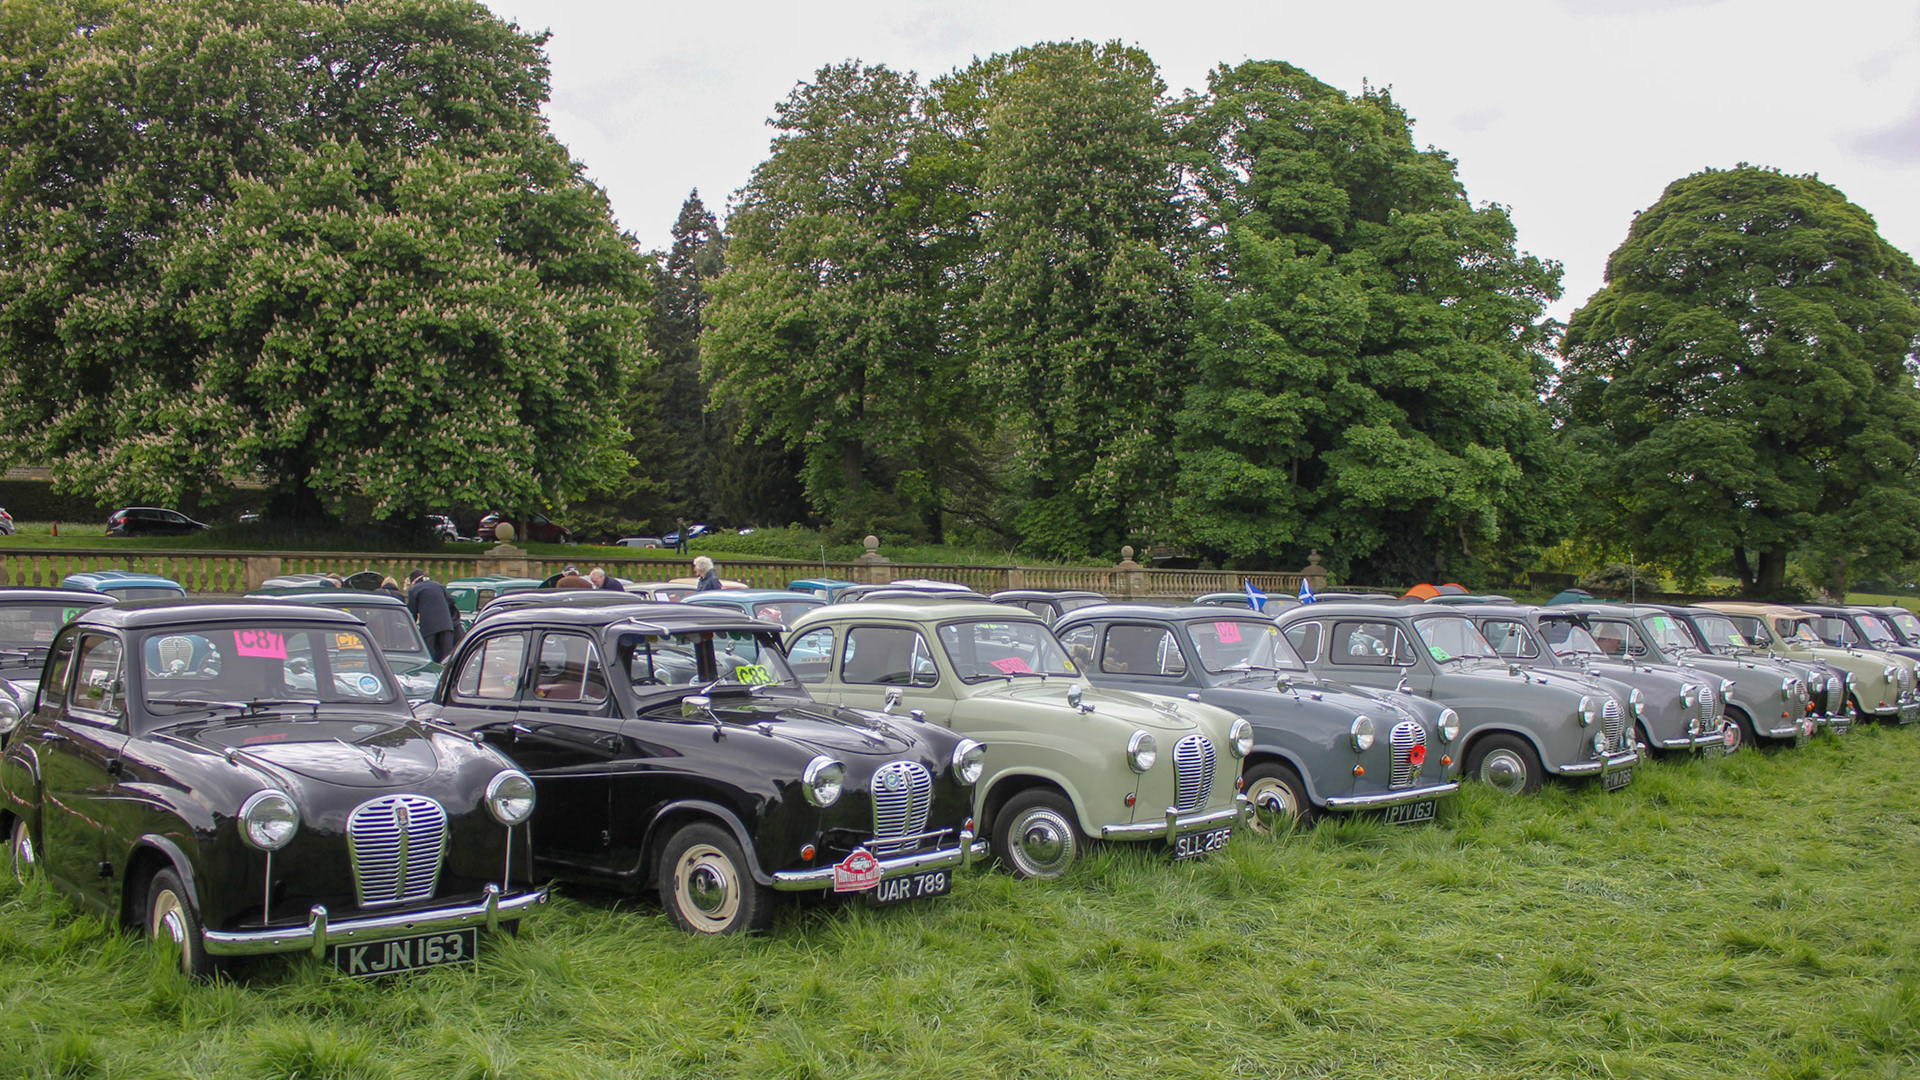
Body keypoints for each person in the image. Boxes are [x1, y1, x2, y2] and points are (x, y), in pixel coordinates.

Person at [407, 568, 461, 661]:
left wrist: (412, 625)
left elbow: (412, 611)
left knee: (429, 656)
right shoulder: (438, 585)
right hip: (446, 624)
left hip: (429, 627)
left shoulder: (415, 589)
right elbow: (451, 600)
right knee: (447, 656)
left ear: (413, 580)